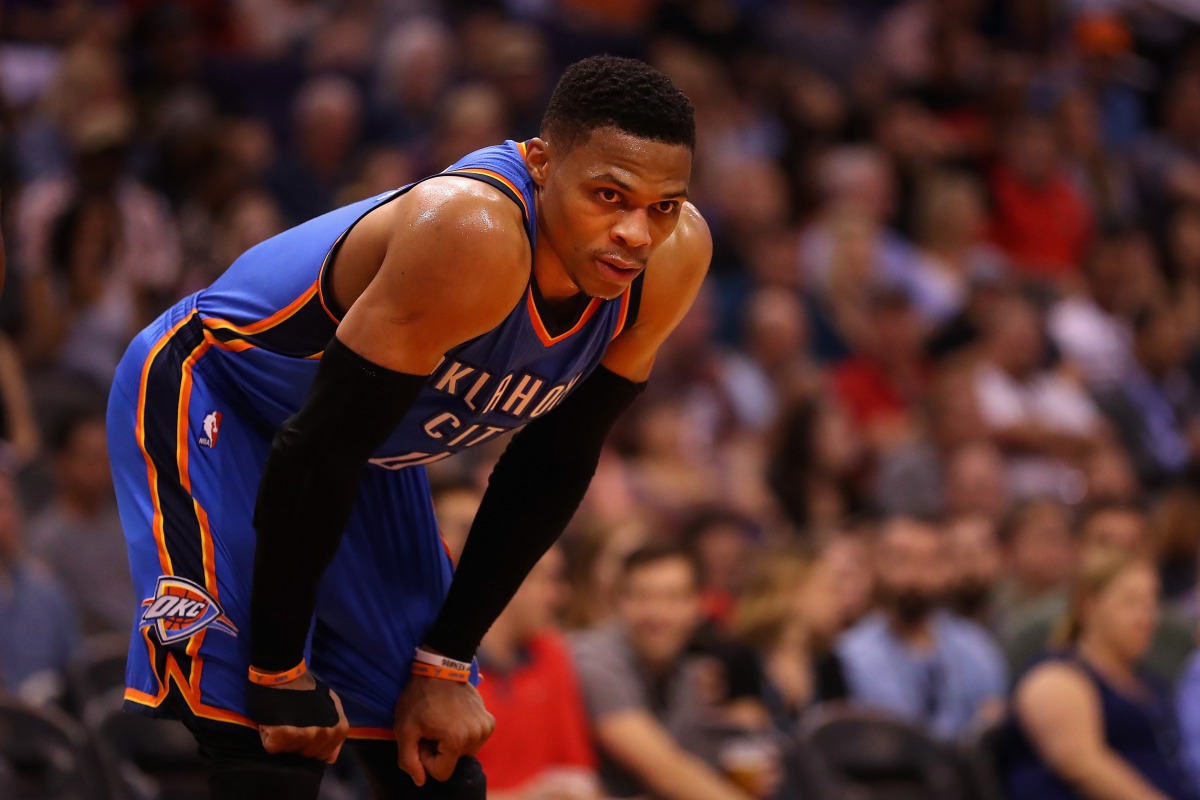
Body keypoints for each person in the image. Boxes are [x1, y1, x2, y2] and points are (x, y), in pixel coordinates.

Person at [107, 56, 709, 800]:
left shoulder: (675, 258)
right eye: (609, 195)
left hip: (360, 448)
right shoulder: (475, 230)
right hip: (219, 399)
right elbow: (313, 451)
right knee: (270, 750)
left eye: (662, 206)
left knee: (436, 763)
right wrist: (278, 667)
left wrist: (446, 662)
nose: (635, 233)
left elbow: (552, 463)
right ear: (542, 162)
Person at [570, 543, 758, 800]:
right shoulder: (592, 660)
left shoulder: (688, 671)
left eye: (673, 598)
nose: (657, 614)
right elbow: (666, 771)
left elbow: (695, 765)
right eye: (641, 596)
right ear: (618, 602)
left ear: (699, 605)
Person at [1006, 552, 1197, 800]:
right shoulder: (1056, 677)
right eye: (1131, 603)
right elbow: (1084, 767)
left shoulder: (1150, 681)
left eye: (1152, 602)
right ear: (1089, 605)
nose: (1147, 617)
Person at [835, 516, 1007, 740]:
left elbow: (992, 726)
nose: (914, 575)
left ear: (947, 569)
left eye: (929, 561)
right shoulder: (849, 654)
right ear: (877, 564)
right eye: (902, 560)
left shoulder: (976, 649)